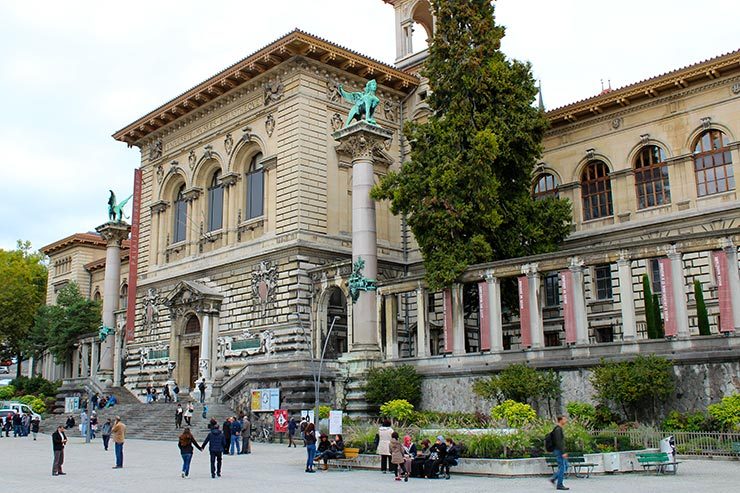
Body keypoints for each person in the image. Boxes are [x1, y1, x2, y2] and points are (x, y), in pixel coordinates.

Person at [549, 415, 569, 491]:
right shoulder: (557, 429)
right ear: (560, 420)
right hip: (559, 450)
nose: (566, 421)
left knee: (565, 466)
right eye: (564, 419)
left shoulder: (559, 429)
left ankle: (554, 479)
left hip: (560, 450)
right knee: (562, 467)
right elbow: (558, 442)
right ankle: (559, 484)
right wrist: (563, 452)